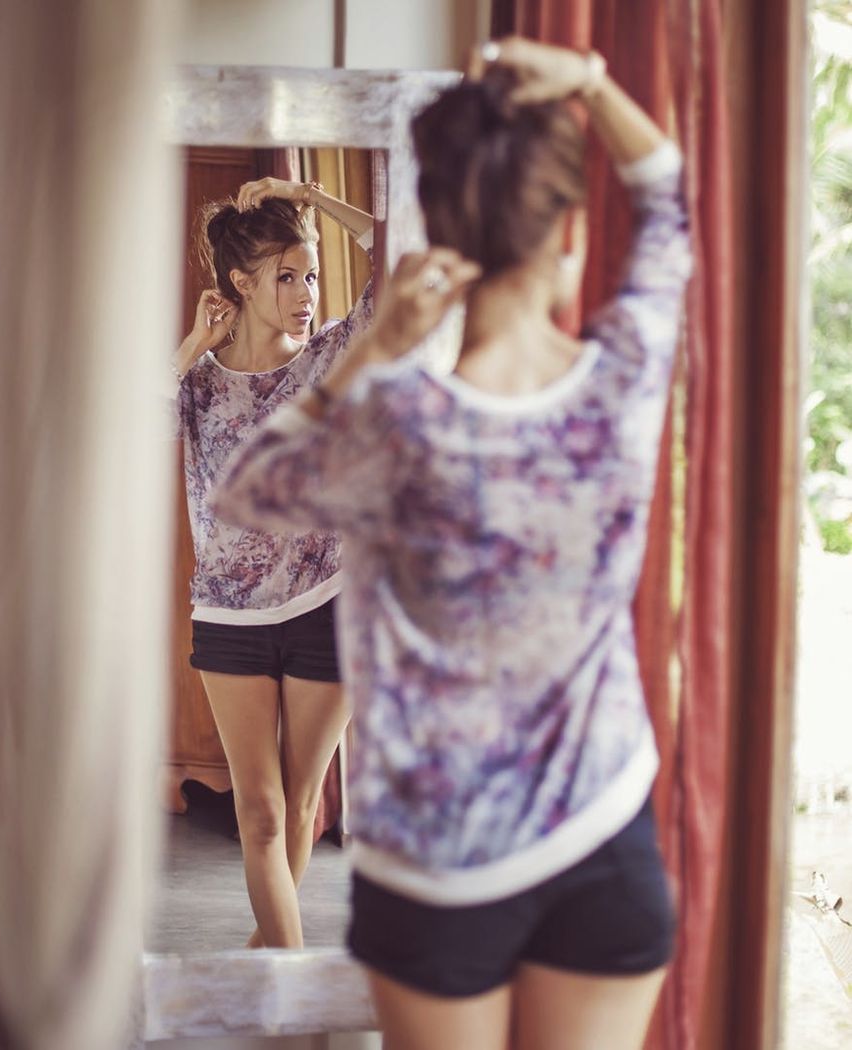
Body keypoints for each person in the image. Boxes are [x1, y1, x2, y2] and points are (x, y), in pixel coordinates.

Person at [210, 36, 692, 1050]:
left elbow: (247, 495)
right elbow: (665, 194)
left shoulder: (389, 424)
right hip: (600, 847)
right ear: (567, 234)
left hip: (433, 869)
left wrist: (365, 360)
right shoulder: (622, 384)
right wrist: (594, 85)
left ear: (446, 244)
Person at [171, 174, 375, 949]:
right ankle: (286, 986)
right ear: (240, 282)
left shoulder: (331, 356)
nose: (305, 293)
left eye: (311, 275)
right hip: (228, 617)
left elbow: (405, 251)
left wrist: (314, 200)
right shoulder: (198, 384)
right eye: (286, 277)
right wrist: (191, 344)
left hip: (329, 604)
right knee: (258, 812)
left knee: (295, 807)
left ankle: (270, 971)